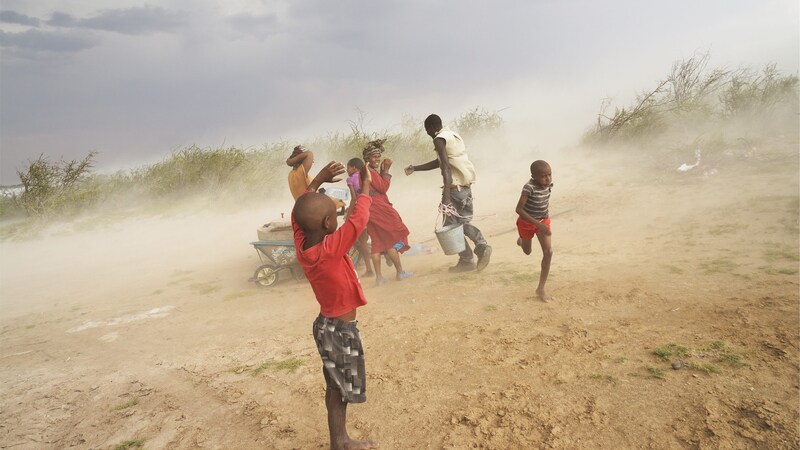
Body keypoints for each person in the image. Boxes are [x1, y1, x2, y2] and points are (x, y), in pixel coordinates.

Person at [291, 160, 379, 450]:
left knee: (334, 386)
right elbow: (358, 222)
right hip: (340, 330)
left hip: (326, 326)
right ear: (328, 224)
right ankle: (340, 442)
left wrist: (317, 181)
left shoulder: (305, 245)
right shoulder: (330, 249)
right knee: (340, 389)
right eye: (334, 217)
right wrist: (365, 186)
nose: (339, 221)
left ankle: (339, 440)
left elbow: (297, 216)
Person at [404, 114, 492, 273]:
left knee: (452, 225)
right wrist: (416, 168)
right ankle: (480, 247)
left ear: (430, 128)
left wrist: (446, 196)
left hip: (454, 189)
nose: (428, 134)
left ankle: (470, 257)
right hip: (465, 187)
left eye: (427, 130)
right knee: (462, 222)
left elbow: (446, 167)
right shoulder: (453, 135)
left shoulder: (438, 139)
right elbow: (443, 162)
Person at [362, 139, 413, 286]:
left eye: (378, 157)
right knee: (395, 235)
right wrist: (386, 171)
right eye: (374, 157)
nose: (377, 159)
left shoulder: (364, 171)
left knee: (377, 242)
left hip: (369, 209)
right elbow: (383, 188)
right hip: (379, 208)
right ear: (367, 158)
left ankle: (379, 278)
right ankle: (400, 272)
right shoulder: (370, 172)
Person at [515, 160, 554, 302]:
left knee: (548, 252)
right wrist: (537, 223)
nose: (548, 178)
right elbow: (518, 209)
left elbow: (543, 203)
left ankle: (541, 289)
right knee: (527, 251)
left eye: (550, 174)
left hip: (543, 221)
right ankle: (521, 240)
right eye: (543, 176)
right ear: (533, 176)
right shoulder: (528, 187)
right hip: (526, 223)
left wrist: (542, 224)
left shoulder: (549, 185)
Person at [345, 157, 375, 278]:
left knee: (363, 241)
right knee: (377, 236)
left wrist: (348, 216)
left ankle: (369, 269)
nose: (347, 170)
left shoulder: (350, 179)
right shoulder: (366, 175)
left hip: (361, 210)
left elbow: (353, 198)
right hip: (373, 207)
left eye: (348, 167)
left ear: (354, 167)